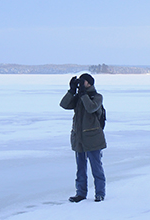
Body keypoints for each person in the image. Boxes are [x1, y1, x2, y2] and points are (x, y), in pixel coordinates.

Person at [60, 73, 107, 202]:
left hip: (93, 138)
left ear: (90, 83)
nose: (82, 84)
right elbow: (64, 105)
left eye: (83, 82)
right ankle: (80, 193)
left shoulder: (97, 97)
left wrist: (83, 94)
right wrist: (71, 91)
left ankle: (100, 193)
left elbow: (91, 108)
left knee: (96, 167)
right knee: (80, 169)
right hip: (79, 139)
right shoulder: (79, 98)